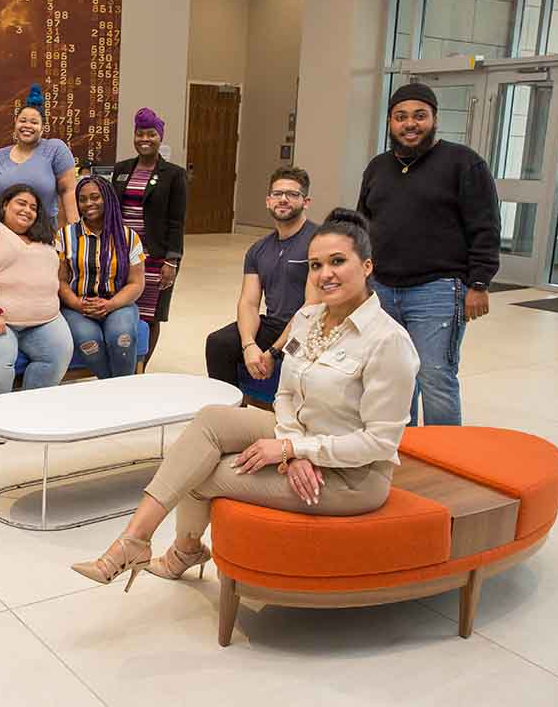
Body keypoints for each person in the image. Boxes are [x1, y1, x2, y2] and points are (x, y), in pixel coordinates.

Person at [71, 208, 419, 590]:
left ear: (367, 266)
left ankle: (181, 553)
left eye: (338, 261)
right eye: (316, 264)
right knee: (211, 420)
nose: (325, 274)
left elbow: (380, 442)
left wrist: (293, 448)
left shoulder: (388, 341)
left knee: (203, 473)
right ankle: (134, 541)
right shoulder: (308, 318)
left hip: (352, 476)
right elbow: (286, 393)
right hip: (302, 434)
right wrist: (292, 445)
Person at [357, 82, 500, 426]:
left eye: (419, 116)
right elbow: (362, 225)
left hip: (437, 290)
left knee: (435, 377)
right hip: (382, 290)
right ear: (390, 122)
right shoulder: (378, 167)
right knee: (393, 378)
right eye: (400, 116)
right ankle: (402, 453)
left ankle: (444, 462)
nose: (410, 124)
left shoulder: (464, 163)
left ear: (435, 119)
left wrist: (479, 282)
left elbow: (485, 226)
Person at [0, 184, 73, 399]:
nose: (28, 210)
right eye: (21, 203)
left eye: (34, 207)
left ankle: (27, 416)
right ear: (5, 204)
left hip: (43, 320)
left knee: (59, 350)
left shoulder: (44, 240)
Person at [205, 167, 318, 388]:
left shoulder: (319, 242)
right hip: (274, 324)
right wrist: (249, 345)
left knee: (292, 355)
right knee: (219, 343)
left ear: (306, 202)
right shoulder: (258, 249)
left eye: (292, 194)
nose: (283, 199)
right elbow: (248, 302)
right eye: (277, 194)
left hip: (307, 331)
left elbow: (311, 308)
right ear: (268, 201)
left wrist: (274, 351)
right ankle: (232, 415)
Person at [112, 107, 187, 367]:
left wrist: (172, 261)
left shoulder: (174, 175)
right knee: (123, 309)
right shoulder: (121, 169)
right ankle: (122, 361)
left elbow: (177, 221)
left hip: (156, 256)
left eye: (151, 134)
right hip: (122, 253)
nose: (145, 139)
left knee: (149, 315)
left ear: (160, 137)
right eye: (140, 133)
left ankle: (140, 367)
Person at [57, 176, 145, 379]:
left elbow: (136, 283)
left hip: (118, 302)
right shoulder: (65, 236)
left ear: (107, 198)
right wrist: (79, 304)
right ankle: (114, 389)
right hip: (78, 306)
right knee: (90, 342)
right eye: (82, 199)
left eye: (95, 197)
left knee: (121, 338)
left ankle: (121, 392)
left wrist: (110, 304)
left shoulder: (129, 237)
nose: (88, 204)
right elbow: (60, 281)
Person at [0, 84, 78, 225]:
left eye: (34, 122)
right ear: (15, 123)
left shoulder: (55, 149)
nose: (27, 126)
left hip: (43, 233)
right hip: (2, 233)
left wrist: (71, 233)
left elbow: (68, 192)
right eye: (23, 121)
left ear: (43, 128)